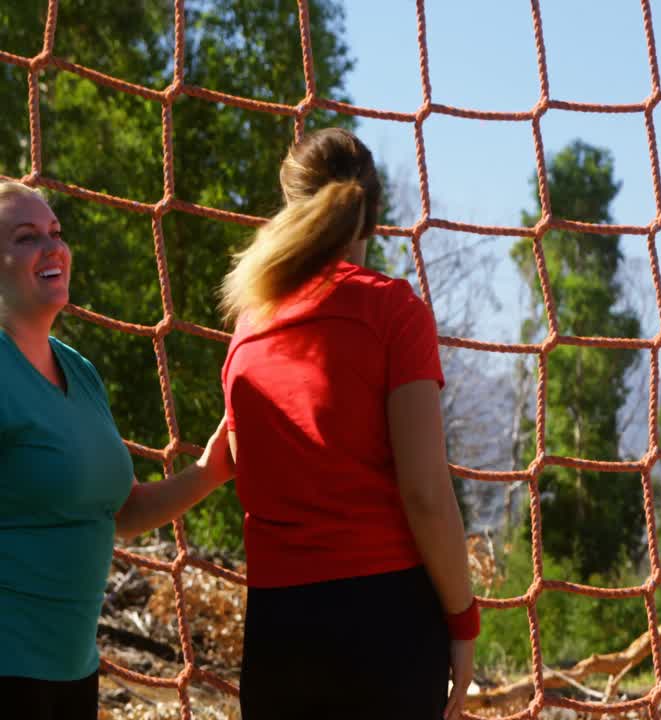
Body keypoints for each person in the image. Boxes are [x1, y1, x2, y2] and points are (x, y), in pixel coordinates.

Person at [218, 128, 476, 720]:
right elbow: (425, 492)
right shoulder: (394, 311)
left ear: (290, 206)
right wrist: (463, 620)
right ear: (372, 216)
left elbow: (243, 465)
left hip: (278, 628)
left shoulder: (248, 325)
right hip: (386, 619)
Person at [0, 180, 235, 719]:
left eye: (56, 232)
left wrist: (211, 469)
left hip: (75, 673)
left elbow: (122, 511)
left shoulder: (79, 371)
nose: (53, 247)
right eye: (27, 237)